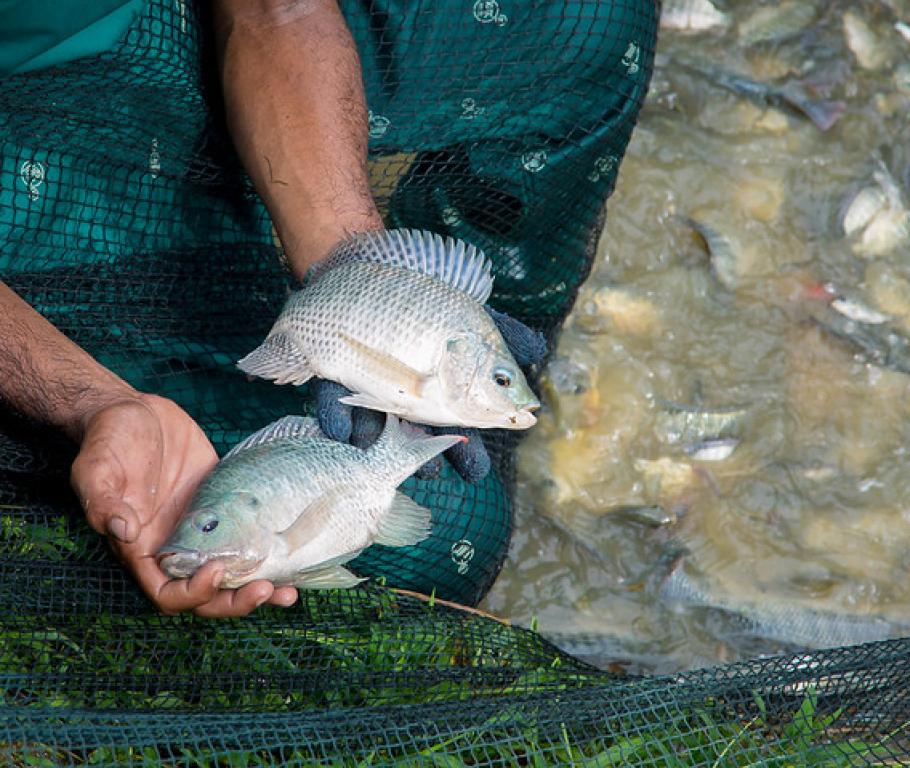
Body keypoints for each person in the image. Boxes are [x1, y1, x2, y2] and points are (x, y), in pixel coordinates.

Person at [0, 0, 654, 617]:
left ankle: (495, 372)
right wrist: (88, 400)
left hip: (168, 29)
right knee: (452, 530)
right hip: (26, 136)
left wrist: (357, 273)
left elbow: (277, 8)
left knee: (591, 23)